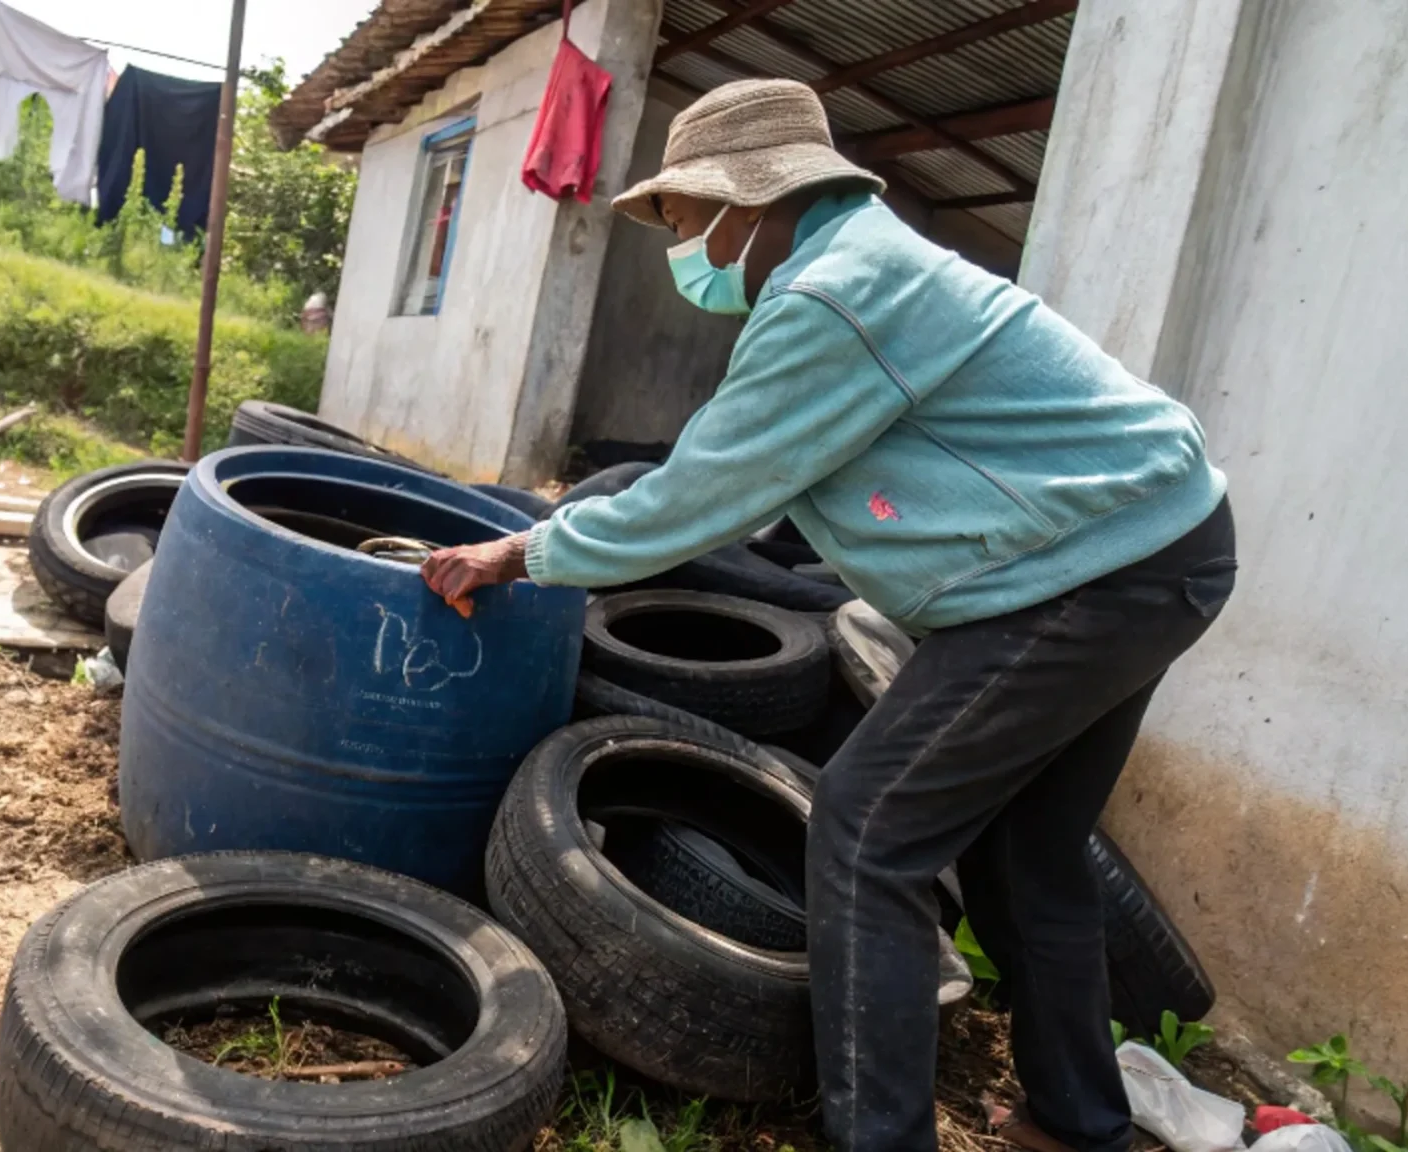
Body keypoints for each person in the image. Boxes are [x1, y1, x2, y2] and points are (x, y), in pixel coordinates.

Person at [420, 78, 1236, 1152]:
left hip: (1088, 575)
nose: (683, 251)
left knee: (864, 832)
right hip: (1158, 549)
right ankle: (1078, 1123)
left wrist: (520, 552)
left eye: (684, 221)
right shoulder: (863, 265)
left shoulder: (830, 295)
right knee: (1028, 850)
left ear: (748, 202)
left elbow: (703, 491)